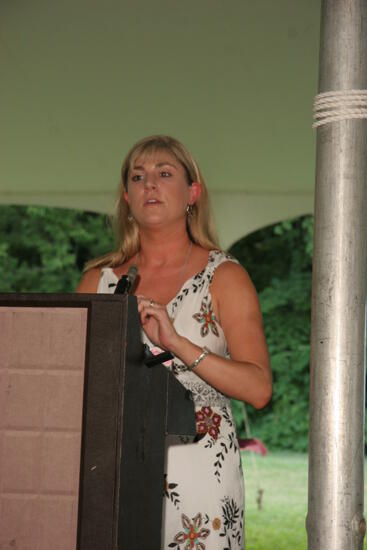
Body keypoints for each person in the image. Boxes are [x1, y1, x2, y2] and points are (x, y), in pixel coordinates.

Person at [77, 135, 272, 549]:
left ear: (192, 194)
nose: (150, 184)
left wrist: (179, 343)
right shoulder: (99, 281)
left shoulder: (225, 277)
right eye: (138, 176)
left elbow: (258, 389)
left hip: (201, 475)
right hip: (116, 471)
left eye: (164, 174)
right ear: (127, 197)